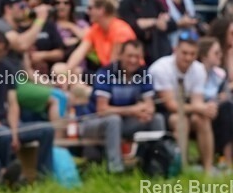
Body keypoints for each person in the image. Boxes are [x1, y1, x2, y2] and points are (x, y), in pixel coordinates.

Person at [0, 32, 54, 178]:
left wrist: (14, 132)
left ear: (5, 52)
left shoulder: (6, 69)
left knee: (47, 129)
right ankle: (8, 175)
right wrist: (5, 131)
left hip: (7, 124)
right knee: (4, 135)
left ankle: (42, 175)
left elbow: (13, 104)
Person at [80, 39, 164, 173]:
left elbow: (150, 105)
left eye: (137, 57)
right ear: (120, 55)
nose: (133, 60)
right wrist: (133, 110)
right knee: (114, 120)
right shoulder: (105, 73)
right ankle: (115, 168)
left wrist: (146, 113)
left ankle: (158, 164)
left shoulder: (143, 73)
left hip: (124, 122)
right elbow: (102, 110)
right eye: (130, 56)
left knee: (157, 119)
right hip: (93, 122)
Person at [149, 31, 214, 174]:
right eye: (184, 53)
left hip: (185, 107)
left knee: (202, 119)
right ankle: (181, 166)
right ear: (175, 50)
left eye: (192, 54)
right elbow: (171, 105)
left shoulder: (198, 69)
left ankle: (208, 168)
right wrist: (200, 108)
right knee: (181, 120)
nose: (188, 58)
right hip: (161, 111)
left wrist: (206, 109)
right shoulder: (161, 68)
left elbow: (198, 101)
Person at [67, 0, 137, 72]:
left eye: (90, 8)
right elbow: (80, 52)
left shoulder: (121, 30)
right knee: (60, 69)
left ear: (101, 10)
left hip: (124, 75)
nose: (87, 12)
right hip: (104, 71)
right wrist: (66, 74)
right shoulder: (96, 28)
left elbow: (113, 64)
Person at [198, 36, 233, 168]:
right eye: (216, 53)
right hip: (200, 111)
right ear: (204, 56)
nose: (220, 55)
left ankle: (226, 159)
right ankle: (225, 159)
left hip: (217, 111)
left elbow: (226, 96)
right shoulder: (196, 72)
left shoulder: (219, 74)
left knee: (228, 108)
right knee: (226, 109)